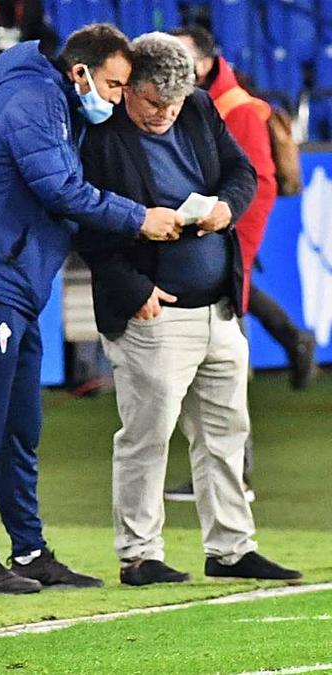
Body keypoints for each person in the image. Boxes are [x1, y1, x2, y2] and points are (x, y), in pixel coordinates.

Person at [0, 23, 184, 596]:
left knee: (20, 428)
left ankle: (27, 552)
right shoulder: (32, 100)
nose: (119, 99)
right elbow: (61, 191)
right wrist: (139, 216)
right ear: (80, 72)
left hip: (16, 287)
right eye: (115, 85)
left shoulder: (52, 106)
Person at [76, 32, 301, 587]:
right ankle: (139, 554)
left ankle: (231, 548)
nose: (165, 113)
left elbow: (243, 173)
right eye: (154, 102)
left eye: (174, 103)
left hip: (219, 308)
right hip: (151, 313)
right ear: (129, 87)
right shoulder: (101, 134)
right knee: (146, 436)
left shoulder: (200, 108)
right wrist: (133, 291)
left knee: (227, 433)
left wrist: (227, 207)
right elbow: (85, 217)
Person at [162, 25, 319, 503]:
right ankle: (295, 339)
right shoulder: (215, 104)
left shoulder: (237, 110)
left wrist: (239, 253)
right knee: (223, 363)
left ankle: (237, 476)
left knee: (226, 368)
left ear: (204, 64)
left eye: (180, 58)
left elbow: (257, 184)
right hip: (214, 246)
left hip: (223, 246)